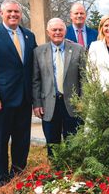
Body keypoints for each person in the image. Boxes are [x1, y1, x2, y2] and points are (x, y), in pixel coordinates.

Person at [0, 0, 37, 186]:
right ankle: (2, 178)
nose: (13, 15)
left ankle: (18, 175)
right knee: (0, 140)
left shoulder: (29, 36)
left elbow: (31, 68)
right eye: (9, 11)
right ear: (1, 13)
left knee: (22, 140)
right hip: (0, 100)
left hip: (24, 98)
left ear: (20, 14)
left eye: (16, 12)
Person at [32, 18, 86, 157]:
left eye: (60, 29)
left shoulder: (78, 50)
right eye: (54, 30)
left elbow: (84, 78)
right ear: (48, 32)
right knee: (52, 143)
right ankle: (55, 171)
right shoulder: (38, 52)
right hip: (48, 104)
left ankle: (72, 171)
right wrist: (37, 103)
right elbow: (36, 80)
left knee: (73, 141)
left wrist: (82, 101)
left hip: (73, 104)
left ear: (65, 31)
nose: (57, 32)